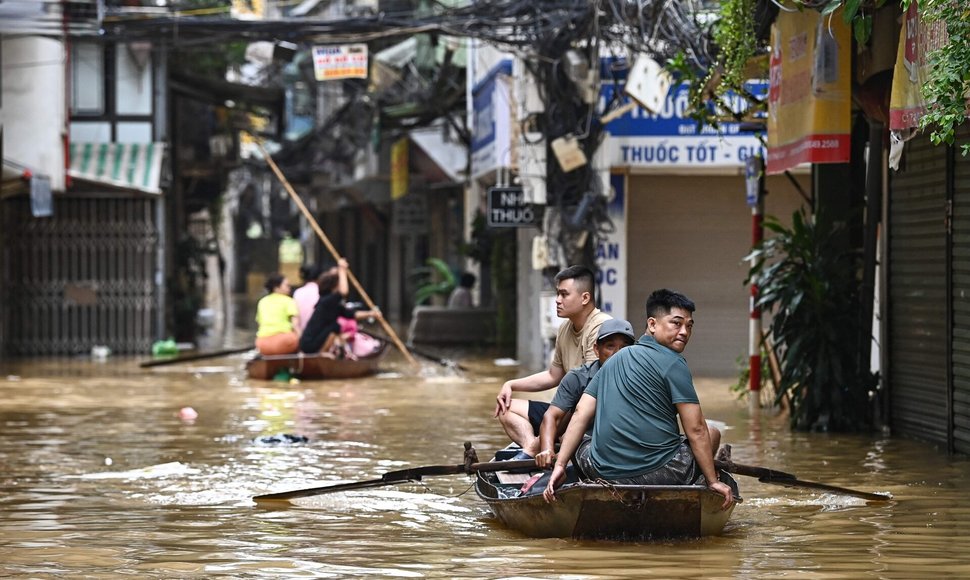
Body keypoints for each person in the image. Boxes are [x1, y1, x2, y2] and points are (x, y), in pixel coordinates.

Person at [543, 289, 733, 510]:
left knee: (579, 441)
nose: (684, 332)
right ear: (652, 324)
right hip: (660, 474)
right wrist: (713, 481)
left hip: (599, 470)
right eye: (676, 324)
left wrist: (560, 464)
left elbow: (580, 414)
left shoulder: (612, 360)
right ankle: (697, 485)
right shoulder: (674, 363)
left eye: (689, 326)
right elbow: (697, 430)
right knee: (711, 432)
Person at [494, 265, 612, 460]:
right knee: (505, 408)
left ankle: (533, 450)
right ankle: (533, 448)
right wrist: (510, 384)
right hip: (565, 409)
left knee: (566, 410)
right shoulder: (565, 328)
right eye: (558, 294)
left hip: (589, 414)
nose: (557, 300)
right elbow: (553, 375)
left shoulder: (601, 328)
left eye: (564, 294)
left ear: (585, 298)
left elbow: (588, 396)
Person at [533, 318, 636, 469]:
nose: (617, 354)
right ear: (596, 349)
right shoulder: (578, 378)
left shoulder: (641, 378)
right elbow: (552, 417)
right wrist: (547, 449)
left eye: (625, 348)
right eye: (610, 346)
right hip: (586, 447)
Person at [299, 258, 381, 356]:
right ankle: (322, 353)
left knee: (336, 327)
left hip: (312, 342)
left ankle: (326, 352)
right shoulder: (327, 301)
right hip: (309, 344)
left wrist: (371, 314)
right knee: (335, 326)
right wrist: (342, 270)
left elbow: (352, 314)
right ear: (334, 287)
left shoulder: (333, 305)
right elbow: (343, 292)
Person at [254, 273, 299, 355]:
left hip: (262, 344)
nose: (289, 288)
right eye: (287, 286)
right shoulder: (288, 301)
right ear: (276, 287)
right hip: (284, 342)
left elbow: (259, 324)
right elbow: (295, 325)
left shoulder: (262, 301)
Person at [293, 263, 323, 336]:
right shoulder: (322, 291)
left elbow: (295, 320)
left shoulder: (298, 293)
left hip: (303, 334)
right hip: (321, 333)